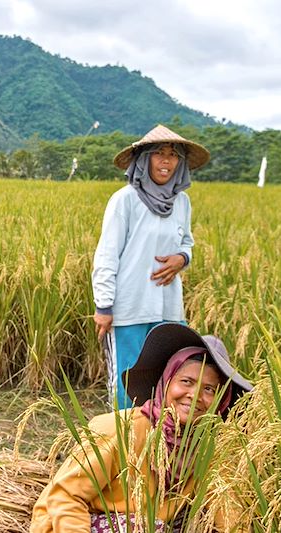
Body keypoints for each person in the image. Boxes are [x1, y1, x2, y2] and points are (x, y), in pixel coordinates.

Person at [30, 323, 253, 532]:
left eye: (209, 390)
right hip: (75, 521)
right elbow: (66, 496)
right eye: (186, 381)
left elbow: (227, 506)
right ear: (166, 383)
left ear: (221, 401)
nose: (195, 396)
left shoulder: (207, 447)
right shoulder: (118, 430)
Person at [92, 125, 210, 408]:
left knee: (166, 375)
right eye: (158, 154)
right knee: (127, 379)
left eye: (173, 155)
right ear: (144, 160)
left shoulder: (181, 202)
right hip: (130, 307)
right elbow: (107, 254)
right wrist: (104, 306)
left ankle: (157, 440)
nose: (166, 161)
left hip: (168, 309)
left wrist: (183, 258)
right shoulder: (125, 200)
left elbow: (187, 242)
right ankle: (124, 441)